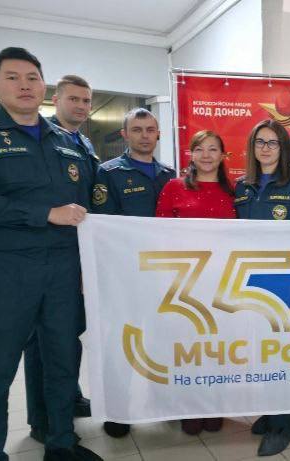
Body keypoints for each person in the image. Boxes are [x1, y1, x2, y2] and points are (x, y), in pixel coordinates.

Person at [0, 47, 102, 461]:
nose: (24, 85)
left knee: (62, 361)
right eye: (13, 77)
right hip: (9, 270)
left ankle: (60, 444)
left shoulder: (65, 141)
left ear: (44, 86)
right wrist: (44, 213)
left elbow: (86, 205)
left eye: (32, 77)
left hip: (63, 269)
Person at [92, 108, 175, 438]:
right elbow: (103, 227)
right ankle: (118, 411)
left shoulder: (170, 175)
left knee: (164, 340)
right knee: (121, 343)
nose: (144, 135)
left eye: (150, 129)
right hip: (125, 275)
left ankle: (164, 401)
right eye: (137, 129)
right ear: (125, 134)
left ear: (158, 134)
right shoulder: (108, 173)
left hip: (164, 275)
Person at [24, 75, 96, 443]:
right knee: (42, 342)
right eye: (74, 99)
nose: (81, 106)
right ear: (56, 99)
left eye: (86, 100)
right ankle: (42, 420)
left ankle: (69, 397)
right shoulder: (42, 139)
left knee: (69, 334)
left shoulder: (83, 143)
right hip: (48, 255)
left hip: (77, 254)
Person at [235, 119, 290, 456]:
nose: (265, 148)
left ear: (284, 148)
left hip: (284, 281)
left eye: (273, 142)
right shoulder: (241, 186)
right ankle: (271, 409)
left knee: (281, 353)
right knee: (260, 351)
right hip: (249, 280)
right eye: (260, 142)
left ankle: (282, 423)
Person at [155, 130, 234, 436]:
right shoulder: (174, 187)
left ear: (223, 155)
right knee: (187, 347)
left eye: (213, 149)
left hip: (223, 281)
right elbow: (160, 234)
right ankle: (188, 405)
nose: (206, 155)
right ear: (191, 154)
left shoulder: (235, 190)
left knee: (217, 348)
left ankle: (214, 405)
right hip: (184, 281)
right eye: (200, 149)